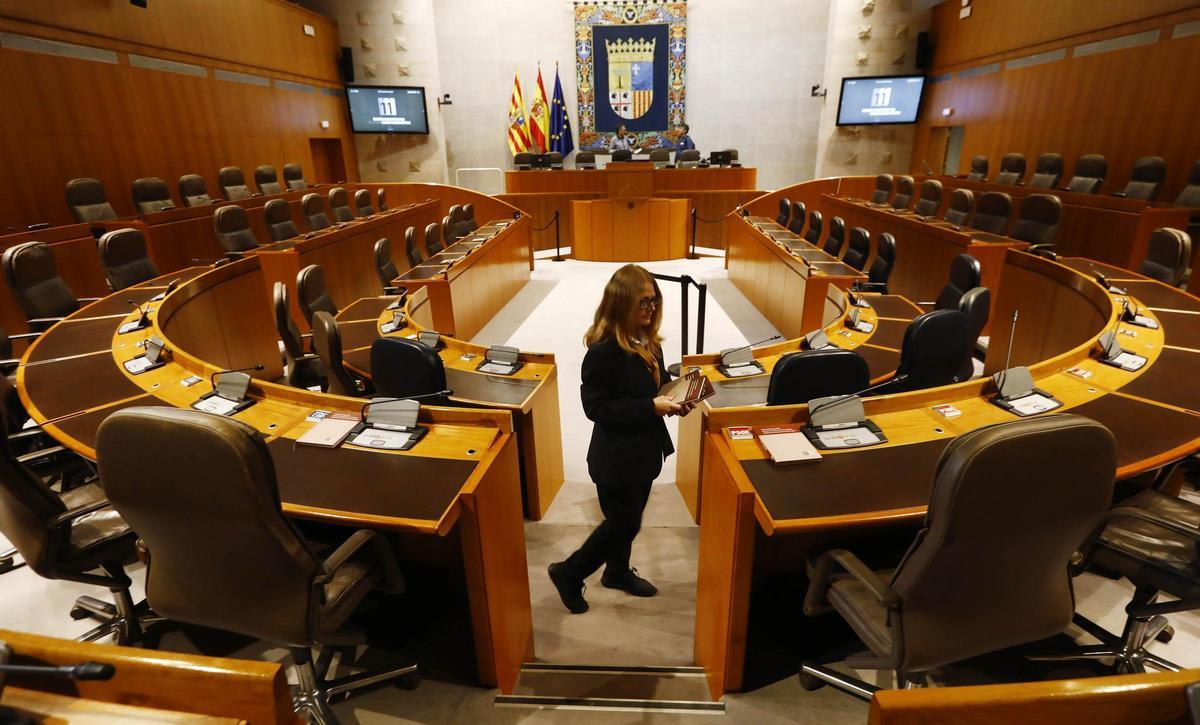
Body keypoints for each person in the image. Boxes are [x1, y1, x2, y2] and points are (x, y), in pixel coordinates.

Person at [548, 264, 692, 614]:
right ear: (621, 302)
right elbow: (596, 408)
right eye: (643, 301)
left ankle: (616, 572)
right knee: (624, 522)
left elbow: (652, 391)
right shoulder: (602, 351)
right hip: (615, 457)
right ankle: (569, 571)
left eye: (654, 300)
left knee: (628, 520)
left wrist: (674, 400)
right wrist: (650, 407)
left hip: (643, 451)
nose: (651, 308)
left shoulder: (649, 342)